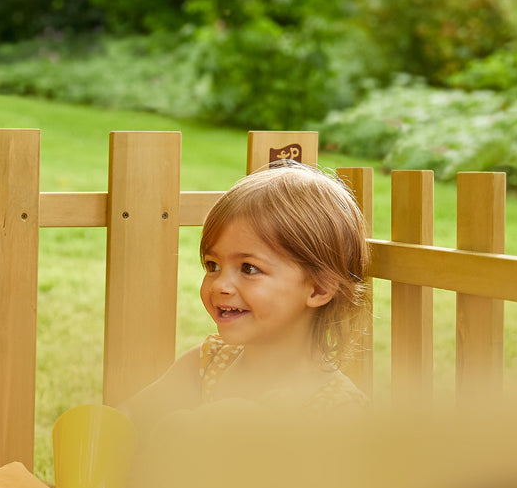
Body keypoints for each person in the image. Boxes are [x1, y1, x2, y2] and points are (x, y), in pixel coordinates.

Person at [121, 162, 370, 441]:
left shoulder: (336, 410)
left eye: (249, 268)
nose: (221, 286)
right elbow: (128, 420)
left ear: (318, 288)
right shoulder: (207, 364)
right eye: (212, 265)